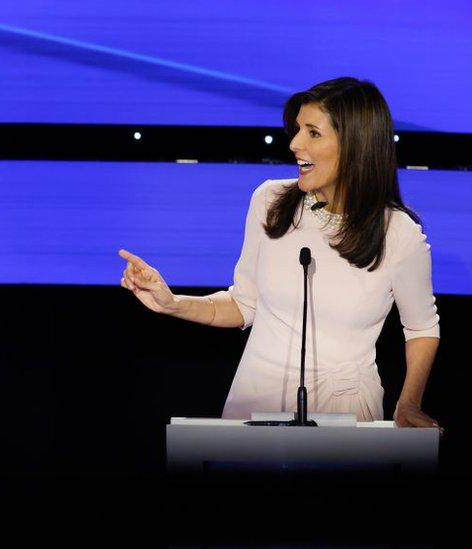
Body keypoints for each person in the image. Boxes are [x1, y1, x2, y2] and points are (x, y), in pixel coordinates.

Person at [119, 77, 440, 427]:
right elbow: (245, 304)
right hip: (255, 400)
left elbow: (421, 329)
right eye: (298, 129)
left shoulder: (398, 234)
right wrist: (173, 303)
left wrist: (408, 403)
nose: (295, 144)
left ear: (355, 145)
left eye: (312, 133)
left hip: (344, 411)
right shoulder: (270, 202)